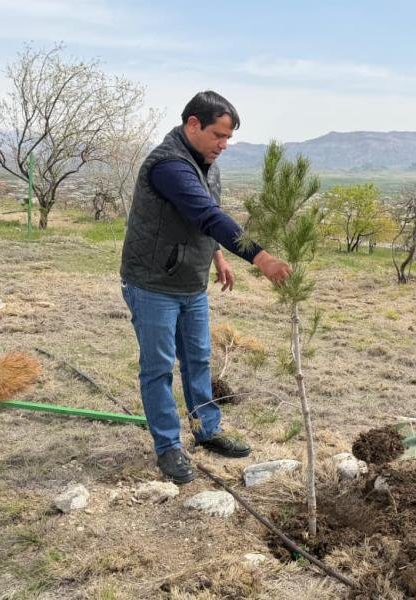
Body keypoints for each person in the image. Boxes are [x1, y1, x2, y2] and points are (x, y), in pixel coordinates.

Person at [120, 91, 291, 484]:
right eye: (218, 135)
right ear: (192, 124)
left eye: (228, 138)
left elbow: (203, 221)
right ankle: (168, 447)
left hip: (191, 282)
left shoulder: (206, 163)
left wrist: (217, 257)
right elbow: (207, 213)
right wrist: (260, 258)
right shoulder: (169, 165)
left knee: (198, 359)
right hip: (153, 284)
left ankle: (207, 430)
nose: (224, 145)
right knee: (158, 367)